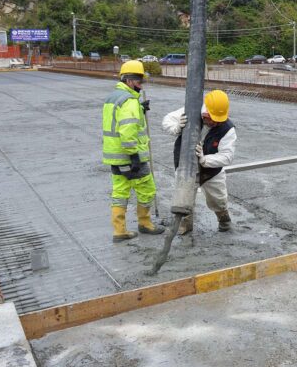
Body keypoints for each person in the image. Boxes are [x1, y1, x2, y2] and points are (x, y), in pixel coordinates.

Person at [102, 60, 165, 242]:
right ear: (129, 81)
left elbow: (118, 121)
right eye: (139, 81)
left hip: (115, 157)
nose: (141, 85)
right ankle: (145, 223)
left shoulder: (113, 97)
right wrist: (134, 155)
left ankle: (119, 231)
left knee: (120, 192)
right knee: (147, 189)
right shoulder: (128, 100)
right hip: (130, 157)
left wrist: (140, 107)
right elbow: (127, 130)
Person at [162, 90, 237, 234]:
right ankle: (186, 225)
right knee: (185, 198)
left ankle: (224, 219)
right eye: (210, 117)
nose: (213, 122)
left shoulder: (227, 129)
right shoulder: (190, 111)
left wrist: (205, 160)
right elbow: (167, 121)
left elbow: (227, 156)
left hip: (211, 171)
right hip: (185, 166)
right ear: (204, 110)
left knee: (218, 198)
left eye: (217, 119)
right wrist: (177, 127)